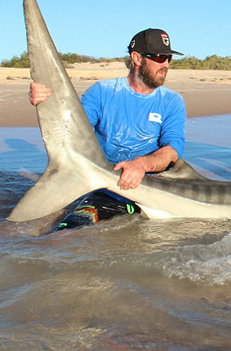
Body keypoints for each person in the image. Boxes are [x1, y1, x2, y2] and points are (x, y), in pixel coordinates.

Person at [28, 28, 186, 228]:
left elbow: (172, 151)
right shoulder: (102, 93)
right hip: (108, 187)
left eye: (168, 58)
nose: (165, 64)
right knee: (64, 234)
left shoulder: (172, 101)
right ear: (137, 58)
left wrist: (142, 165)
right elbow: (73, 130)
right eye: (159, 57)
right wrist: (47, 101)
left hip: (159, 188)